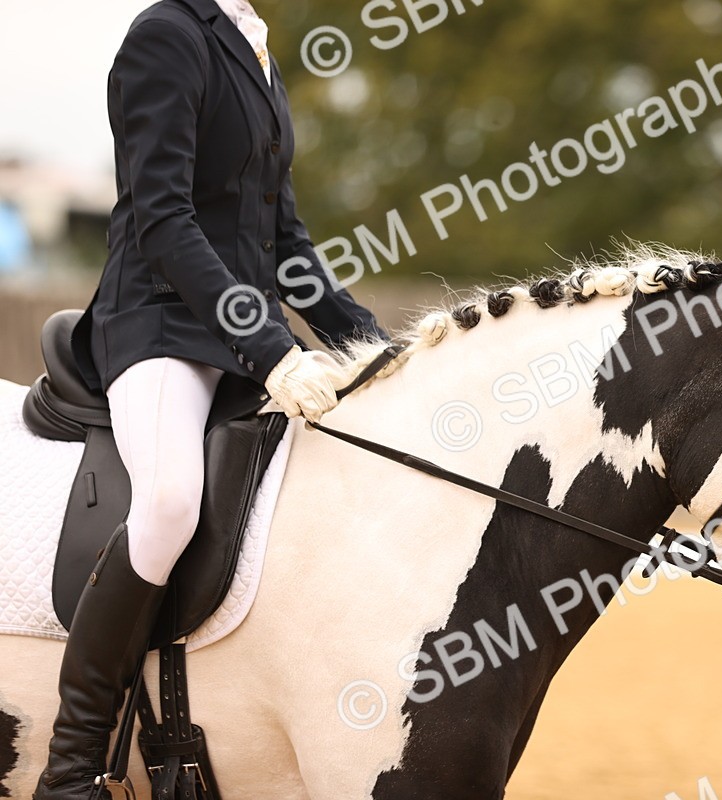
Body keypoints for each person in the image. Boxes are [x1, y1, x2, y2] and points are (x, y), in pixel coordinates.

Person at [36, 1, 389, 796]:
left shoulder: (255, 48)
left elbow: (283, 242)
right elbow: (164, 218)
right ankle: (72, 765)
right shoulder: (166, 34)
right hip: (158, 325)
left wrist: (367, 345)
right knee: (167, 504)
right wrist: (269, 349)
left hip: (236, 337)